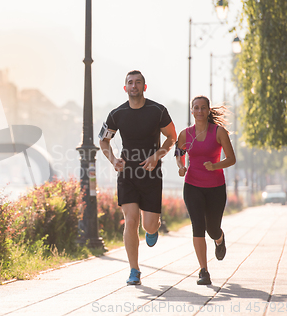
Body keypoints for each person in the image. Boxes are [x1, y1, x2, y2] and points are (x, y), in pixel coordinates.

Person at [99, 70, 177, 285]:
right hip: (127, 173)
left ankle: (153, 229)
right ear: (125, 88)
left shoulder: (158, 111)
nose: (134, 86)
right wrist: (113, 160)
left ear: (144, 86)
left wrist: (157, 155)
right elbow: (104, 141)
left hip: (151, 173)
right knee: (131, 220)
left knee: (149, 226)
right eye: (130, 83)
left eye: (138, 82)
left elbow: (172, 137)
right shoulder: (116, 114)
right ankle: (134, 270)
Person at [175, 95, 236, 285]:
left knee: (212, 228)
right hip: (192, 185)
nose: (199, 111)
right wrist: (181, 166)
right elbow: (178, 153)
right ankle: (203, 271)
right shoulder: (186, 134)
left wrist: (216, 166)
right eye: (196, 108)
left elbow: (231, 159)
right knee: (198, 226)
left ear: (208, 111)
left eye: (203, 108)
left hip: (216, 187)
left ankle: (219, 238)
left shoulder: (219, 132)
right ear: (191, 111)